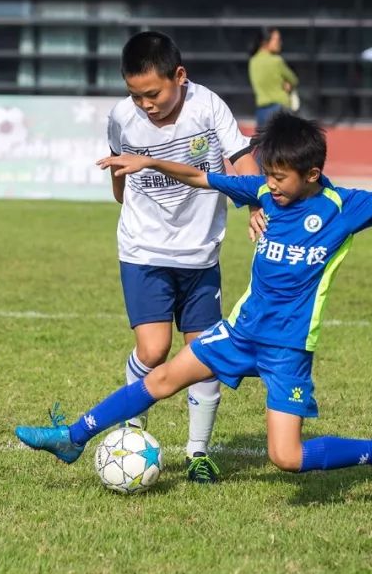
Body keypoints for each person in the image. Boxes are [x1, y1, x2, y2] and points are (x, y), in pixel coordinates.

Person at [17, 101, 372, 506]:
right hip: (240, 333)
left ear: (312, 174)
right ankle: (72, 437)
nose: (272, 185)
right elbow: (202, 177)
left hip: (288, 349)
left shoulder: (342, 207)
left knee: (287, 457)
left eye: (280, 178)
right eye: (269, 175)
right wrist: (149, 162)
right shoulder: (262, 191)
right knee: (163, 377)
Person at [104, 31, 264, 483]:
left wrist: (255, 204)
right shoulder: (121, 117)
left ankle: (198, 453)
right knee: (153, 350)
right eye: (135, 96)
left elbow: (240, 158)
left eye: (152, 93)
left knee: (205, 353)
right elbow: (118, 169)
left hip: (200, 254)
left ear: (180, 76)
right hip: (143, 249)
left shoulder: (208, 107)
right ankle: (132, 430)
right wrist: (122, 187)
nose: (145, 104)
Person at [248, 27, 299, 130]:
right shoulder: (276, 61)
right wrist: (288, 84)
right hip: (280, 109)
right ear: (265, 42)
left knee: (264, 145)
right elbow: (294, 80)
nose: (280, 43)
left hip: (261, 112)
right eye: (277, 39)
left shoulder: (253, 62)